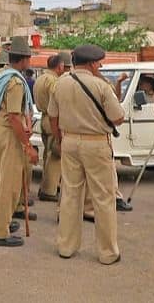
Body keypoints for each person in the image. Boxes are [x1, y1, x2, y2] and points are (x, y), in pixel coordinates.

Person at [49, 44, 124, 264]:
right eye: (99, 63)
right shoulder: (101, 85)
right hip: (96, 143)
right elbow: (118, 117)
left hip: (69, 141)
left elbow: (53, 116)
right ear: (92, 63)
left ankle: (66, 246)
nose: (100, 66)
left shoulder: (60, 83)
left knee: (70, 194)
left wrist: (60, 139)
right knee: (103, 197)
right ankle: (107, 252)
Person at [0, 36, 38, 247]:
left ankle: (1, 223)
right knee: (10, 185)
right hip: (7, 133)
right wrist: (27, 145)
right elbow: (14, 116)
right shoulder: (15, 82)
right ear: (23, 59)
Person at [34, 52, 70, 201]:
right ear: (60, 66)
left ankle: (46, 186)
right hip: (52, 119)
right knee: (55, 156)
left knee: (47, 155)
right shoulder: (54, 81)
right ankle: (49, 190)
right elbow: (57, 102)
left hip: (43, 117)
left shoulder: (41, 78)